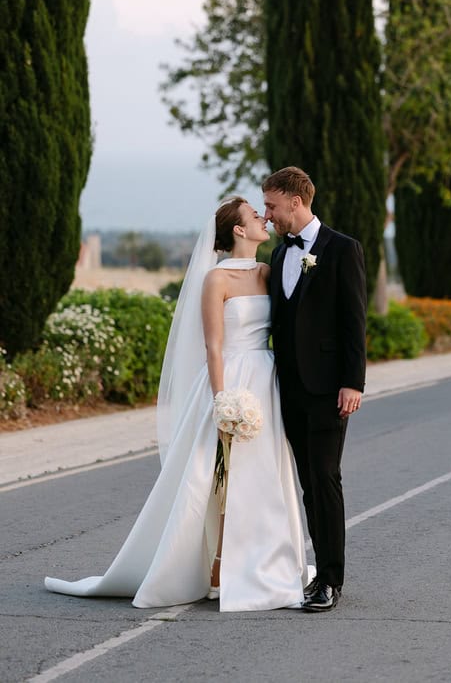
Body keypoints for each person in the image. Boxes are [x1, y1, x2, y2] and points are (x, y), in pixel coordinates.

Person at [44, 198, 308, 612]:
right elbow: (213, 346)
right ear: (238, 231)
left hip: (265, 380)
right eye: (254, 216)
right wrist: (223, 400)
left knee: (263, 473)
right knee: (214, 477)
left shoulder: (269, 272)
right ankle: (215, 565)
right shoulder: (216, 280)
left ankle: (264, 562)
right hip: (231, 382)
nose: (263, 218)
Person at [262, 167, 367, 613]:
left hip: (329, 388)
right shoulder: (279, 252)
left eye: (271, 205)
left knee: (325, 478)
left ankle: (329, 579)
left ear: (295, 200)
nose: (268, 214)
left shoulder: (342, 249)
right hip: (288, 388)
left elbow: (354, 321)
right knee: (306, 481)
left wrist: (352, 382)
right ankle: (315, 571)